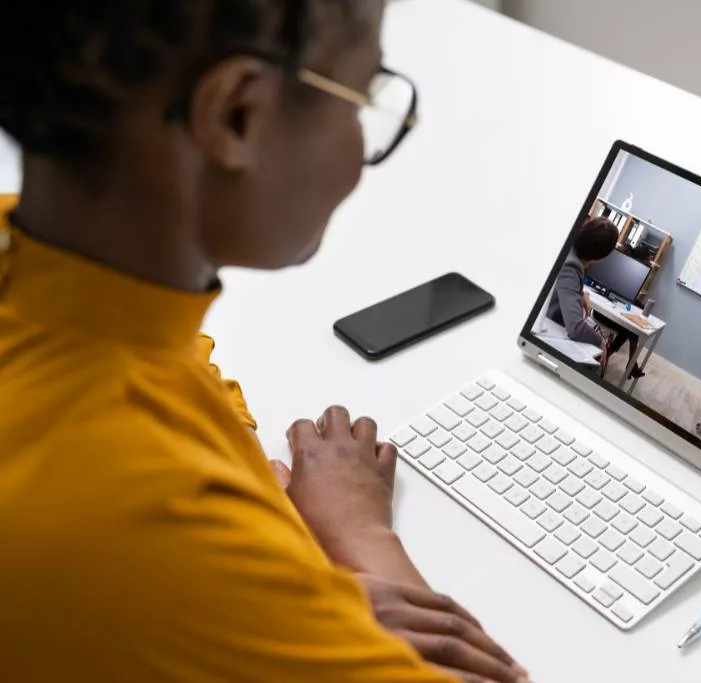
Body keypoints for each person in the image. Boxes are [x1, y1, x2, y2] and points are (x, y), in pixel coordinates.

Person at [0, 3, 530, 682]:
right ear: (235, 117)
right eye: (360, 99)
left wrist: (292, 581)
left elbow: (183, 360)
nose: (362, 153)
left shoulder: (50, 259)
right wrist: (356, 537)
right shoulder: (159, 528)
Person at [547, 215, 618, 363]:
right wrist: (601, 341)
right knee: (597, 362)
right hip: (548, 329)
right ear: (601, 256)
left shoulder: (568, 250)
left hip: (550, 323)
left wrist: (580, 295)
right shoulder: (571, 266)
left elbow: (560, 288)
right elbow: (575, 328)